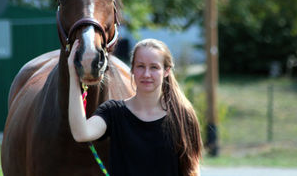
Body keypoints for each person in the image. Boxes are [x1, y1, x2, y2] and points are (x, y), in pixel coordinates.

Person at [68, 38, 202, 176]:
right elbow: (81, 133)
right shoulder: (113, 112)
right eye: (140, 66)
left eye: (154, 67)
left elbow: (192, 170)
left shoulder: (182, 115)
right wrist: (73, 75)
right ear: (132, 69)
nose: (146, 74)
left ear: (166, 71)